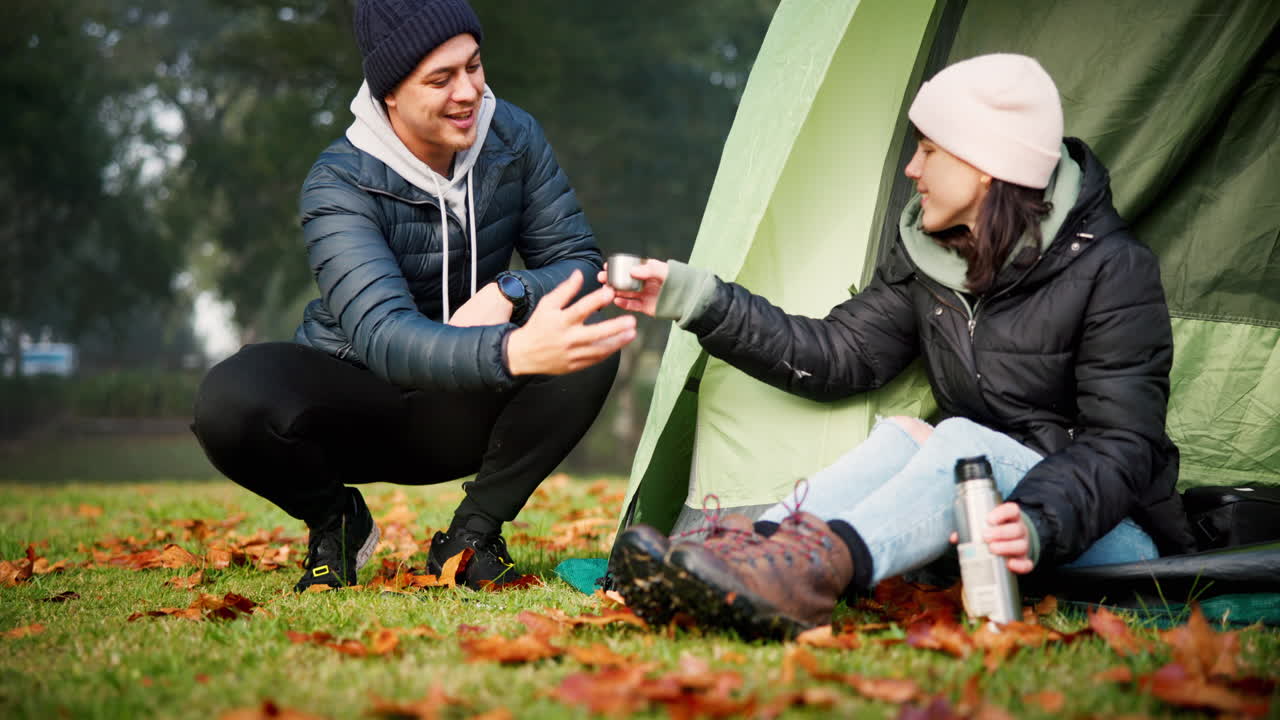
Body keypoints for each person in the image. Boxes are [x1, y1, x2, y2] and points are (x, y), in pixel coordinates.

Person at [606, 54, 1195, 638]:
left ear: (984, 164)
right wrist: (697, 299)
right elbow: (837, 354)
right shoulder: (932, 257)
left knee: (959, 440)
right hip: (975, 510)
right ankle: (754, 559)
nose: (913, 168)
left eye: (929, 150)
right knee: (907, 435)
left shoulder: (1114, 268)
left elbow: (1124, 444)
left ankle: (807, 576)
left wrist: (1044, 516)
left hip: (1089, 528)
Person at [191, 0, 636, 593]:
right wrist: (511, 354)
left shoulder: (515, 136)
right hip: (359, 405)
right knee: (228, 399)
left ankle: (470, 539)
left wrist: (510, 289)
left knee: (589, 335)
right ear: (390, 95)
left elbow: (578, 262)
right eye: (441, 79)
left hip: (463, 409)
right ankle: (336, 521)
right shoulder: (339, 182)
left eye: (474, 66)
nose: (469, 92)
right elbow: (383, 335)